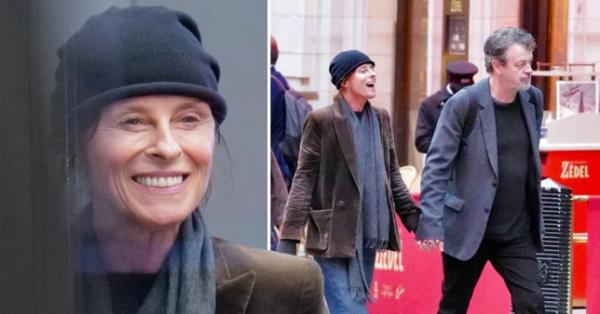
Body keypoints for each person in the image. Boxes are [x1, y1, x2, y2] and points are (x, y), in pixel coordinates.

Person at [51, 6, 326, 314]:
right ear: (77, 144)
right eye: (133, 121)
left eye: (189, 119)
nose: (167, 148)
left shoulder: (284, 292)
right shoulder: (22, 281)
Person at [278, 50, 420, 313]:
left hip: (368, 233)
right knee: (348, 309)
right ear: (344, 81)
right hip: (331, 234)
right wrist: (290, 235)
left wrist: (414, 219)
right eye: (364, 70)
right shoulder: (322, 120)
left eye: (372, 68)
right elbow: (303, 179)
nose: (372, 74)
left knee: (355, 306)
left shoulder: (381, 119)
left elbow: (392, 175)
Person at [415, 27, 545, 313]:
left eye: (530, 62)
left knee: (532, 302)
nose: (529, 70)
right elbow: (437, 164)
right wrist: (431, 223)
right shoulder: (464, 104)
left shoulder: (532, 99)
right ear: (497, 66)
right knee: (454, 304)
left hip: (516, 229)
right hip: (469, 226)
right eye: (520, 64)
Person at [415, 61, 478, 153]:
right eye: (460, 89)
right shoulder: (431, 104)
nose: (464, 93)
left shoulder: (481, 100)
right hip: (445, 164)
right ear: (450, 82)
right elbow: (422, 141)